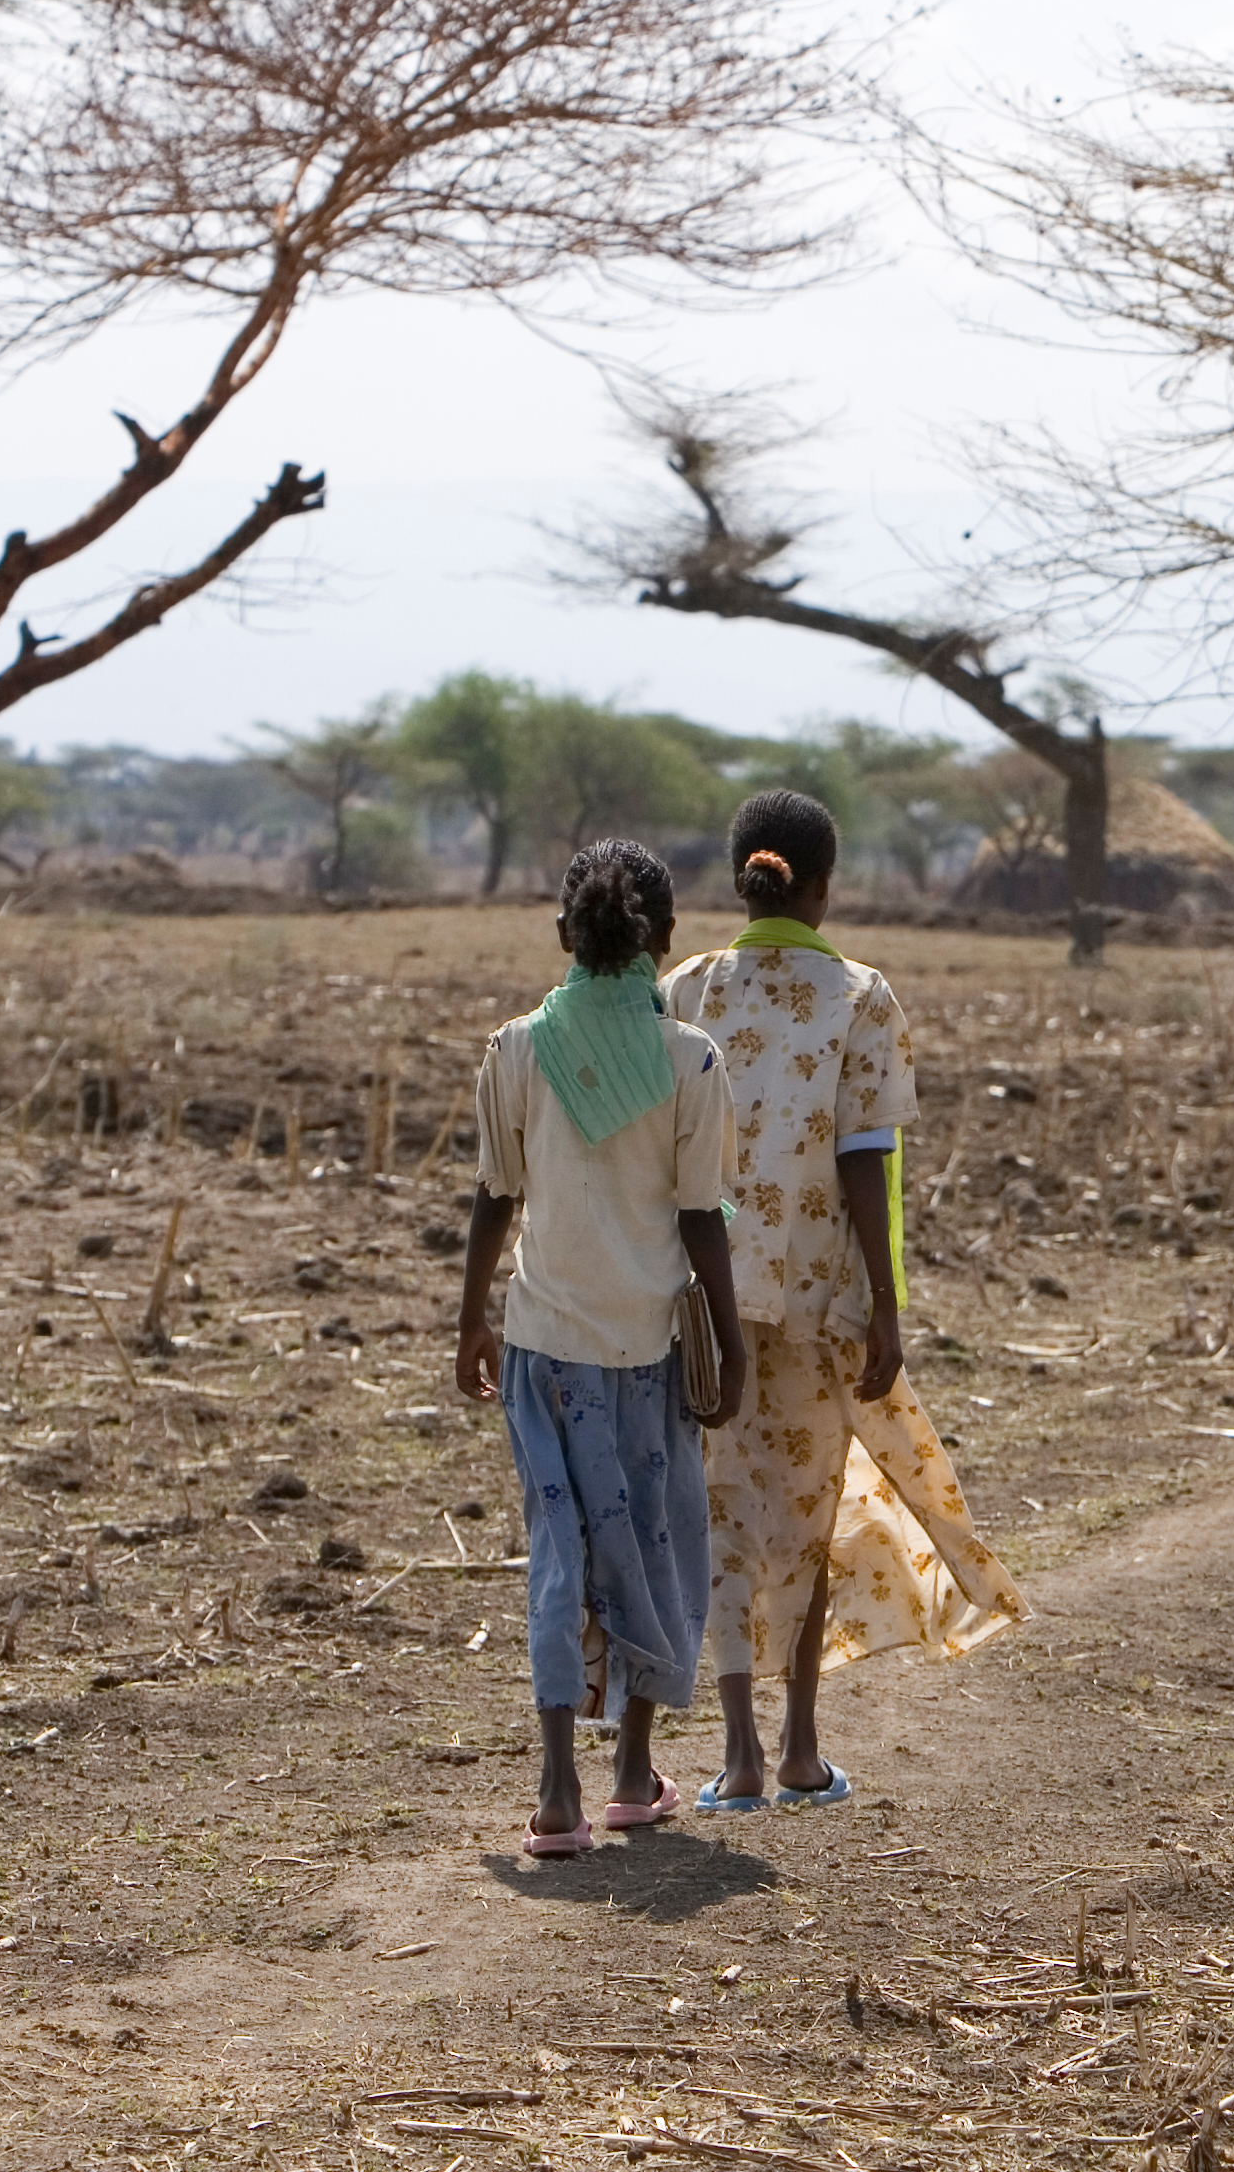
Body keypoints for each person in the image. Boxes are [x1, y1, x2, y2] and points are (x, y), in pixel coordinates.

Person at [667, 789, 1024, 1812]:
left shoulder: (687, 988)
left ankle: (735, 1754)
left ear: (743, 875)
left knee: (725, 1506)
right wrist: (888, 1300)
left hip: (706, 1293)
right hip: (819, 1294)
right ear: (826, 884)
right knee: (808, 1509)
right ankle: (801, 1748)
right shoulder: (863, 996)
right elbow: (871, 1163)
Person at [452, 839, 749, 1859]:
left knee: (561, 1552)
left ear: (563, 935)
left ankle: (552, 1791)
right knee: (652, 1549)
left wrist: (469, 1315)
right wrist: (733, 1330)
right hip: (648, 1348)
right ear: (663, 940)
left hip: (544, 1346)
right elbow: (702, 1214)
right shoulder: (691, 1059)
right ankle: (632, 1770)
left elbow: (497, 1193)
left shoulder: (516, 1049)